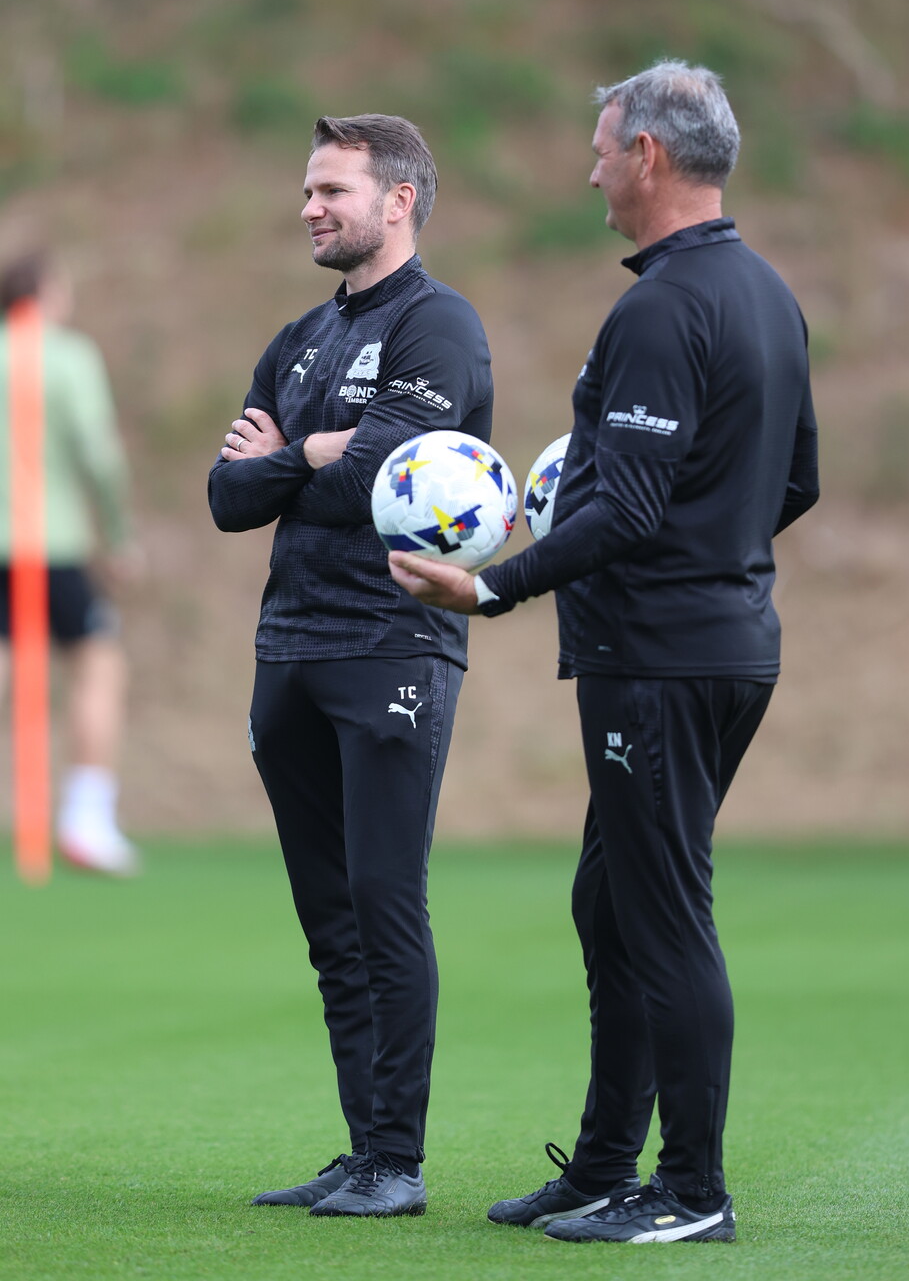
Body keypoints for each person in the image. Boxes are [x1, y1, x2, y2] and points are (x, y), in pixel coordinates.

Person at [390, 62, 820, 1245]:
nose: (587, 167)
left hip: (661, 661)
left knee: (662, 911)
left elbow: (623, 513)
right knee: (612, 901)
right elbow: (797, 481)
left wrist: (487, 586)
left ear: (648, 157)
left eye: (599, 146)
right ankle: (601, 1168)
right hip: (729, 646)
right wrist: (711, 555)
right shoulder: (768, 295)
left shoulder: (659, 309)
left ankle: (690, 1194)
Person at [208, 114, 494, 1219]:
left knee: (384, 899)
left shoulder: (441, 329)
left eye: (333, 189)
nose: (311, 207)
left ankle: (399, 1162)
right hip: (289, 650)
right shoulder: (300, 339)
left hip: (392, 645)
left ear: (400, 200)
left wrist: (303, 455)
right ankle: (363, 1144)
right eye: (309, 190)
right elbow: (229, 498)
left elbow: (379, 481)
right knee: (329, 916)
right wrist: (310, 456)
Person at [0, 252, 139, 877]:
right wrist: (119, 534)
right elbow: (99, 454)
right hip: (49, 545)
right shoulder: (68, 355)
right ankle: (87, 820)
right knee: (99, 664)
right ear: (46, 293)